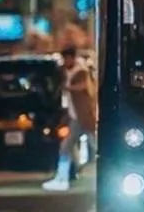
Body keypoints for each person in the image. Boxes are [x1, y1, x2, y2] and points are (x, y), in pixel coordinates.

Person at [41, 48, 96, 192]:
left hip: (85, 117)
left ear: (72, 58)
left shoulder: (81, 71)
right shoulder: (68, 71)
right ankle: (62, 179)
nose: (65, 62)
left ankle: (62, 179)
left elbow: (86, 87)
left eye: (66, 58)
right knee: (66, 147)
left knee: (97, 147)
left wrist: (69, 87)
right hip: (76, 117)